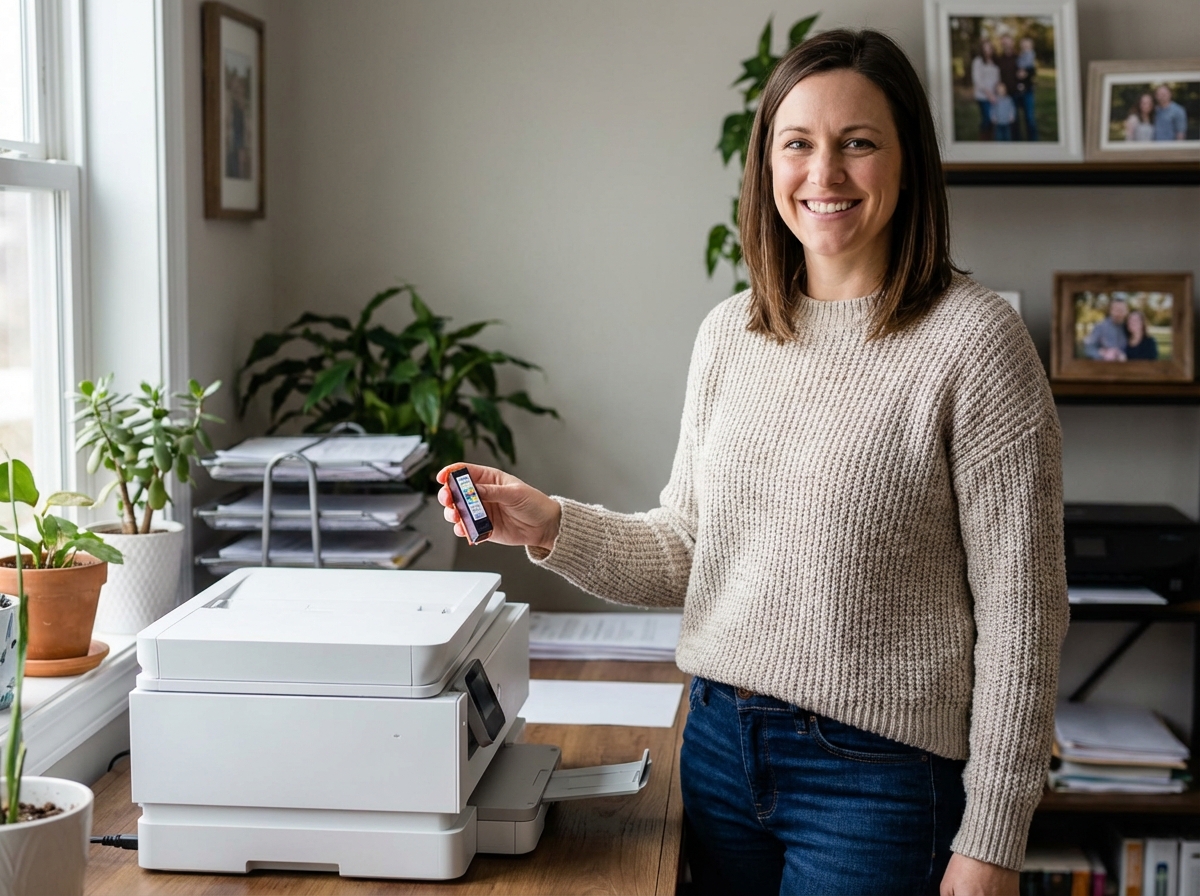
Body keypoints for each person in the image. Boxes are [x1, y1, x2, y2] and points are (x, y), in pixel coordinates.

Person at [439, 28, 1067, 896]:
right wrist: (550, 525)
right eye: (798, 144)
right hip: (719, 751)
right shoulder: (731, 332)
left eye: (858, 144)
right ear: (766, 165)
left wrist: (993, 835)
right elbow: (692, 552)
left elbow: (1024, 613)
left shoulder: (975, 341)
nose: (825, 175)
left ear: (908, 160)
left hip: (878, 781)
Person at [971, 38, 1000, 140]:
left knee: (994, 119)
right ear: (982, 49)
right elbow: (977, 80)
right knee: (987, 118)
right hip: (983, 95)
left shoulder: (995, 61)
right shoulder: (977, 61)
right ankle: (983, 140)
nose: (988, 50)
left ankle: (991, 140)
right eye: (985, 48)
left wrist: (997, 90)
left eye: (990, 48)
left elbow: (997, 78)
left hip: (995, 96)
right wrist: (989, 94)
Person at [1015, 36, 1039, 141]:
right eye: (1023, 44)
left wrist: (1026, 73)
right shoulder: (1020, 56)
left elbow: (1031, 70)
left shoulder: (1030, 56)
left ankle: (1033, 140)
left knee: (1029, 118)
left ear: (1031, 46)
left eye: (1027, 45)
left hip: (1027, 91)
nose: (1025, 47)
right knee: (1017, 118)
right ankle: (1018, 139)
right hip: (1018, 90)